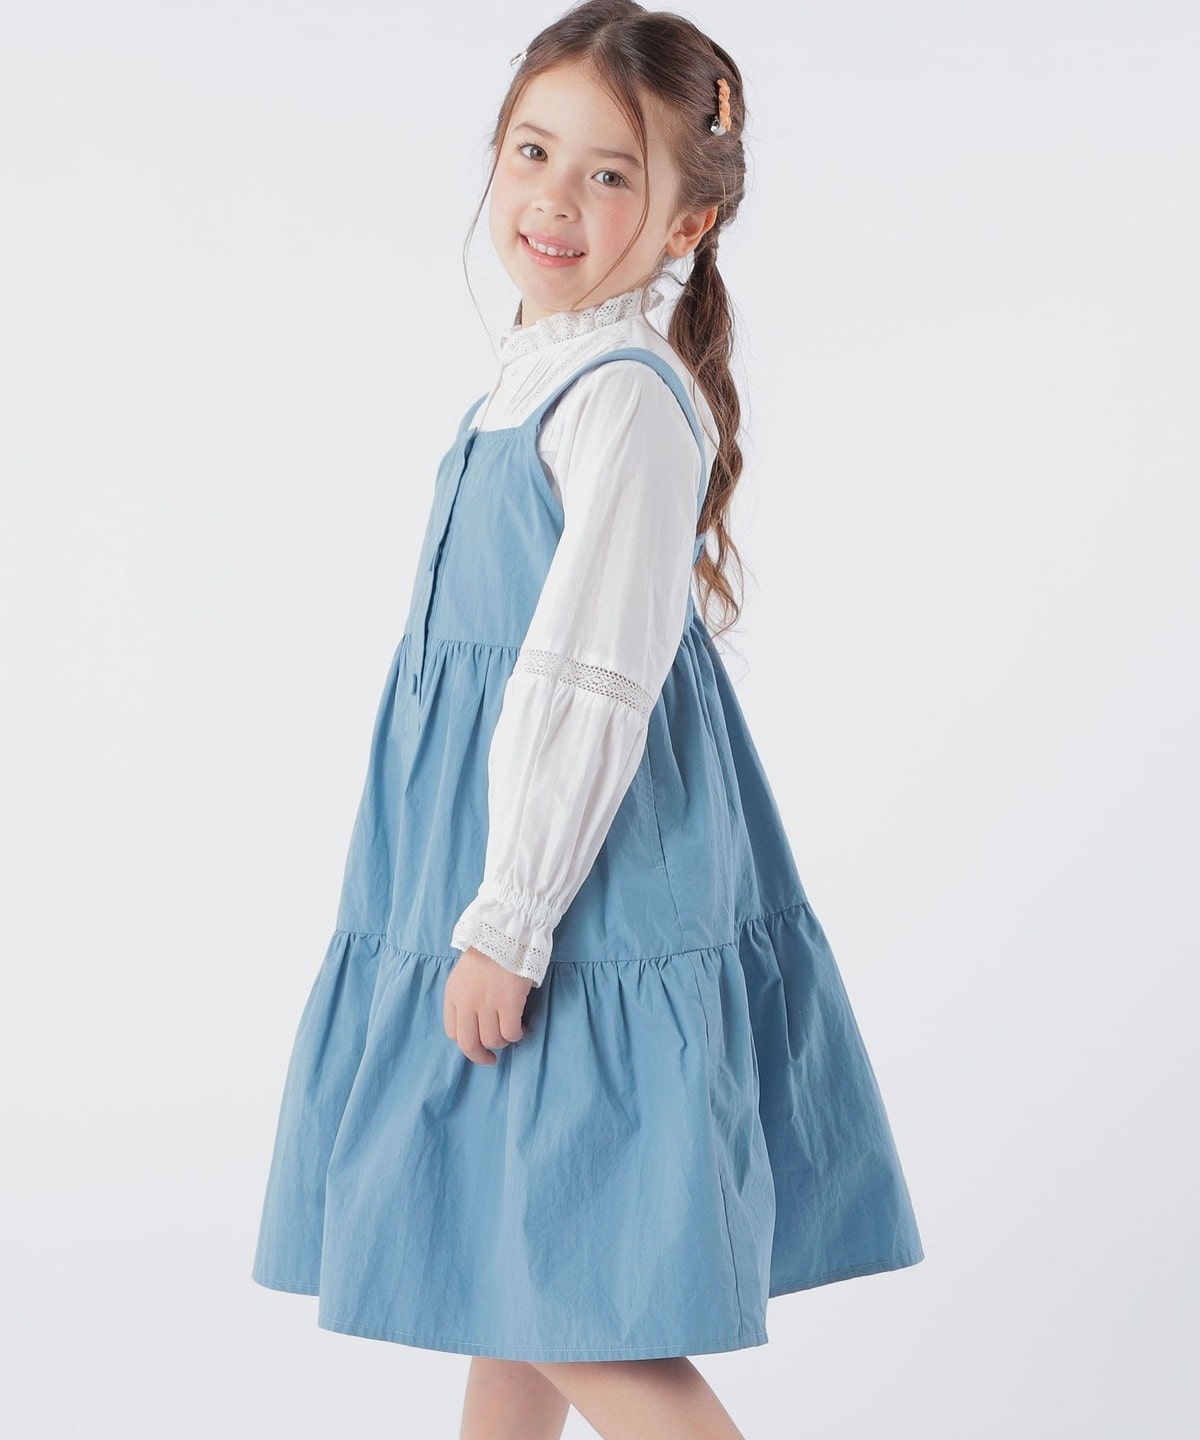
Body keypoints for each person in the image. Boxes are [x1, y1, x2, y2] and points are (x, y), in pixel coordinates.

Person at [252, 4, 924, 1437]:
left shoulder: (626, 403)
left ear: (686, 223)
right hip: (481, 861)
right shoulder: (530, 381)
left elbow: (588, 681)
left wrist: (512, 917)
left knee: (565, 1281)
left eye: (610, 172)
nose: (555, 196)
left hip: (574, 887)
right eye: (531, 151)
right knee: (508, 1255)